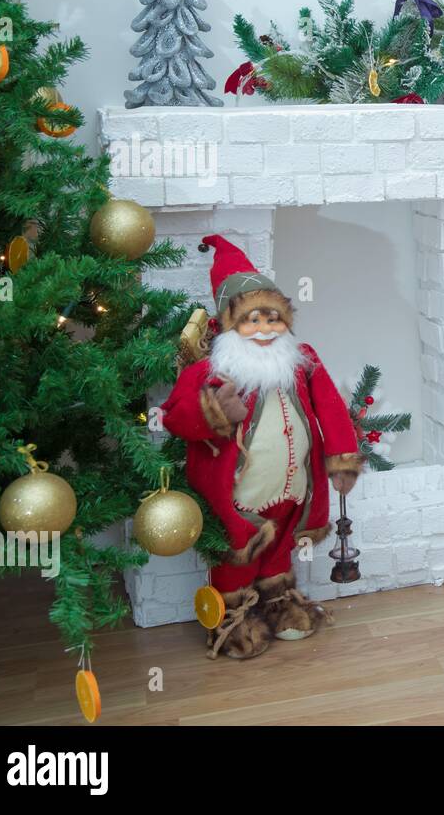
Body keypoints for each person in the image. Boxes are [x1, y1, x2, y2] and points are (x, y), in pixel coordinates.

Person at [161, 235, 363, 659]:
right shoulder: (212, 371)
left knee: (280, 547)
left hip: (293, 488)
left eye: (273, 320)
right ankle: (233, 618)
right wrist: (217, 411)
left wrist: (341, 459)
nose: (265, 330)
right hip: (240, 494)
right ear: (230, 325)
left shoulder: (302, 359)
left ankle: (280, 602)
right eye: (252, 321)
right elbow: (177, 417)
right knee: (237, 553)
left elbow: (331, 409)